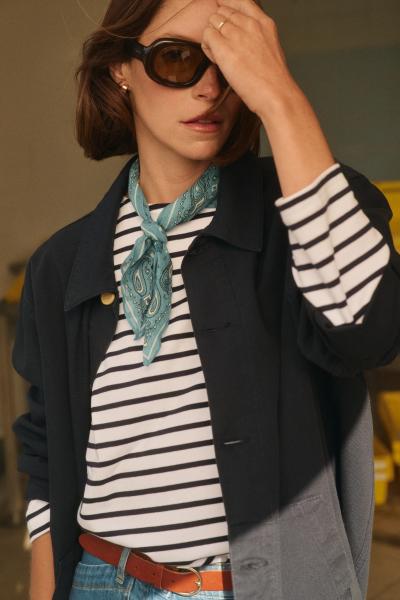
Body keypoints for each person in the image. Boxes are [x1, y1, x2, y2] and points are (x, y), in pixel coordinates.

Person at [11, 0, 400, 599]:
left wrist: (281, 99)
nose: (211, 87)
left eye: (230, 60)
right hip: (100, 580)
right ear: (121, 67)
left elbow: (369, 330)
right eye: (177, 58)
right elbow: (45, 449)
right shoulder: (61, 264)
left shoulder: (304, 210)